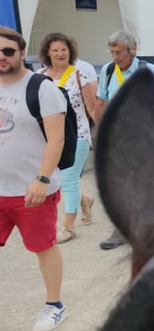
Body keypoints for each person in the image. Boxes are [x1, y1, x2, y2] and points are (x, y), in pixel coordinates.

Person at [0, 26, 68, 331]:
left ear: (21, 53)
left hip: (32, 191)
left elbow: (56, 140)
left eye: (8, 51)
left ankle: (55, 305)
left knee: (43, 247)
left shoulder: (42, 88)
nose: (1, 57)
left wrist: (41, 179)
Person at [95, 30, 154, 249]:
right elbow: (100, 103)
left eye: (119, 52)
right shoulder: (109, 71)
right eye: (112, 52)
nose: (115, 58)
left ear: (132, 50)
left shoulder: (147, 71)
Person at [38, 31, 100, 241]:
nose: (60, 54)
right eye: (55, 50)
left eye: (63, 49)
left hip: (78, 135)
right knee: (62, 179)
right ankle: (85, 200)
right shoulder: (40, 77)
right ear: (48, 53)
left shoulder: (78, 75)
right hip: (50, 138)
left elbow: (92, 108)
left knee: (69, 179)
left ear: (70, 52)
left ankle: (68, 226)